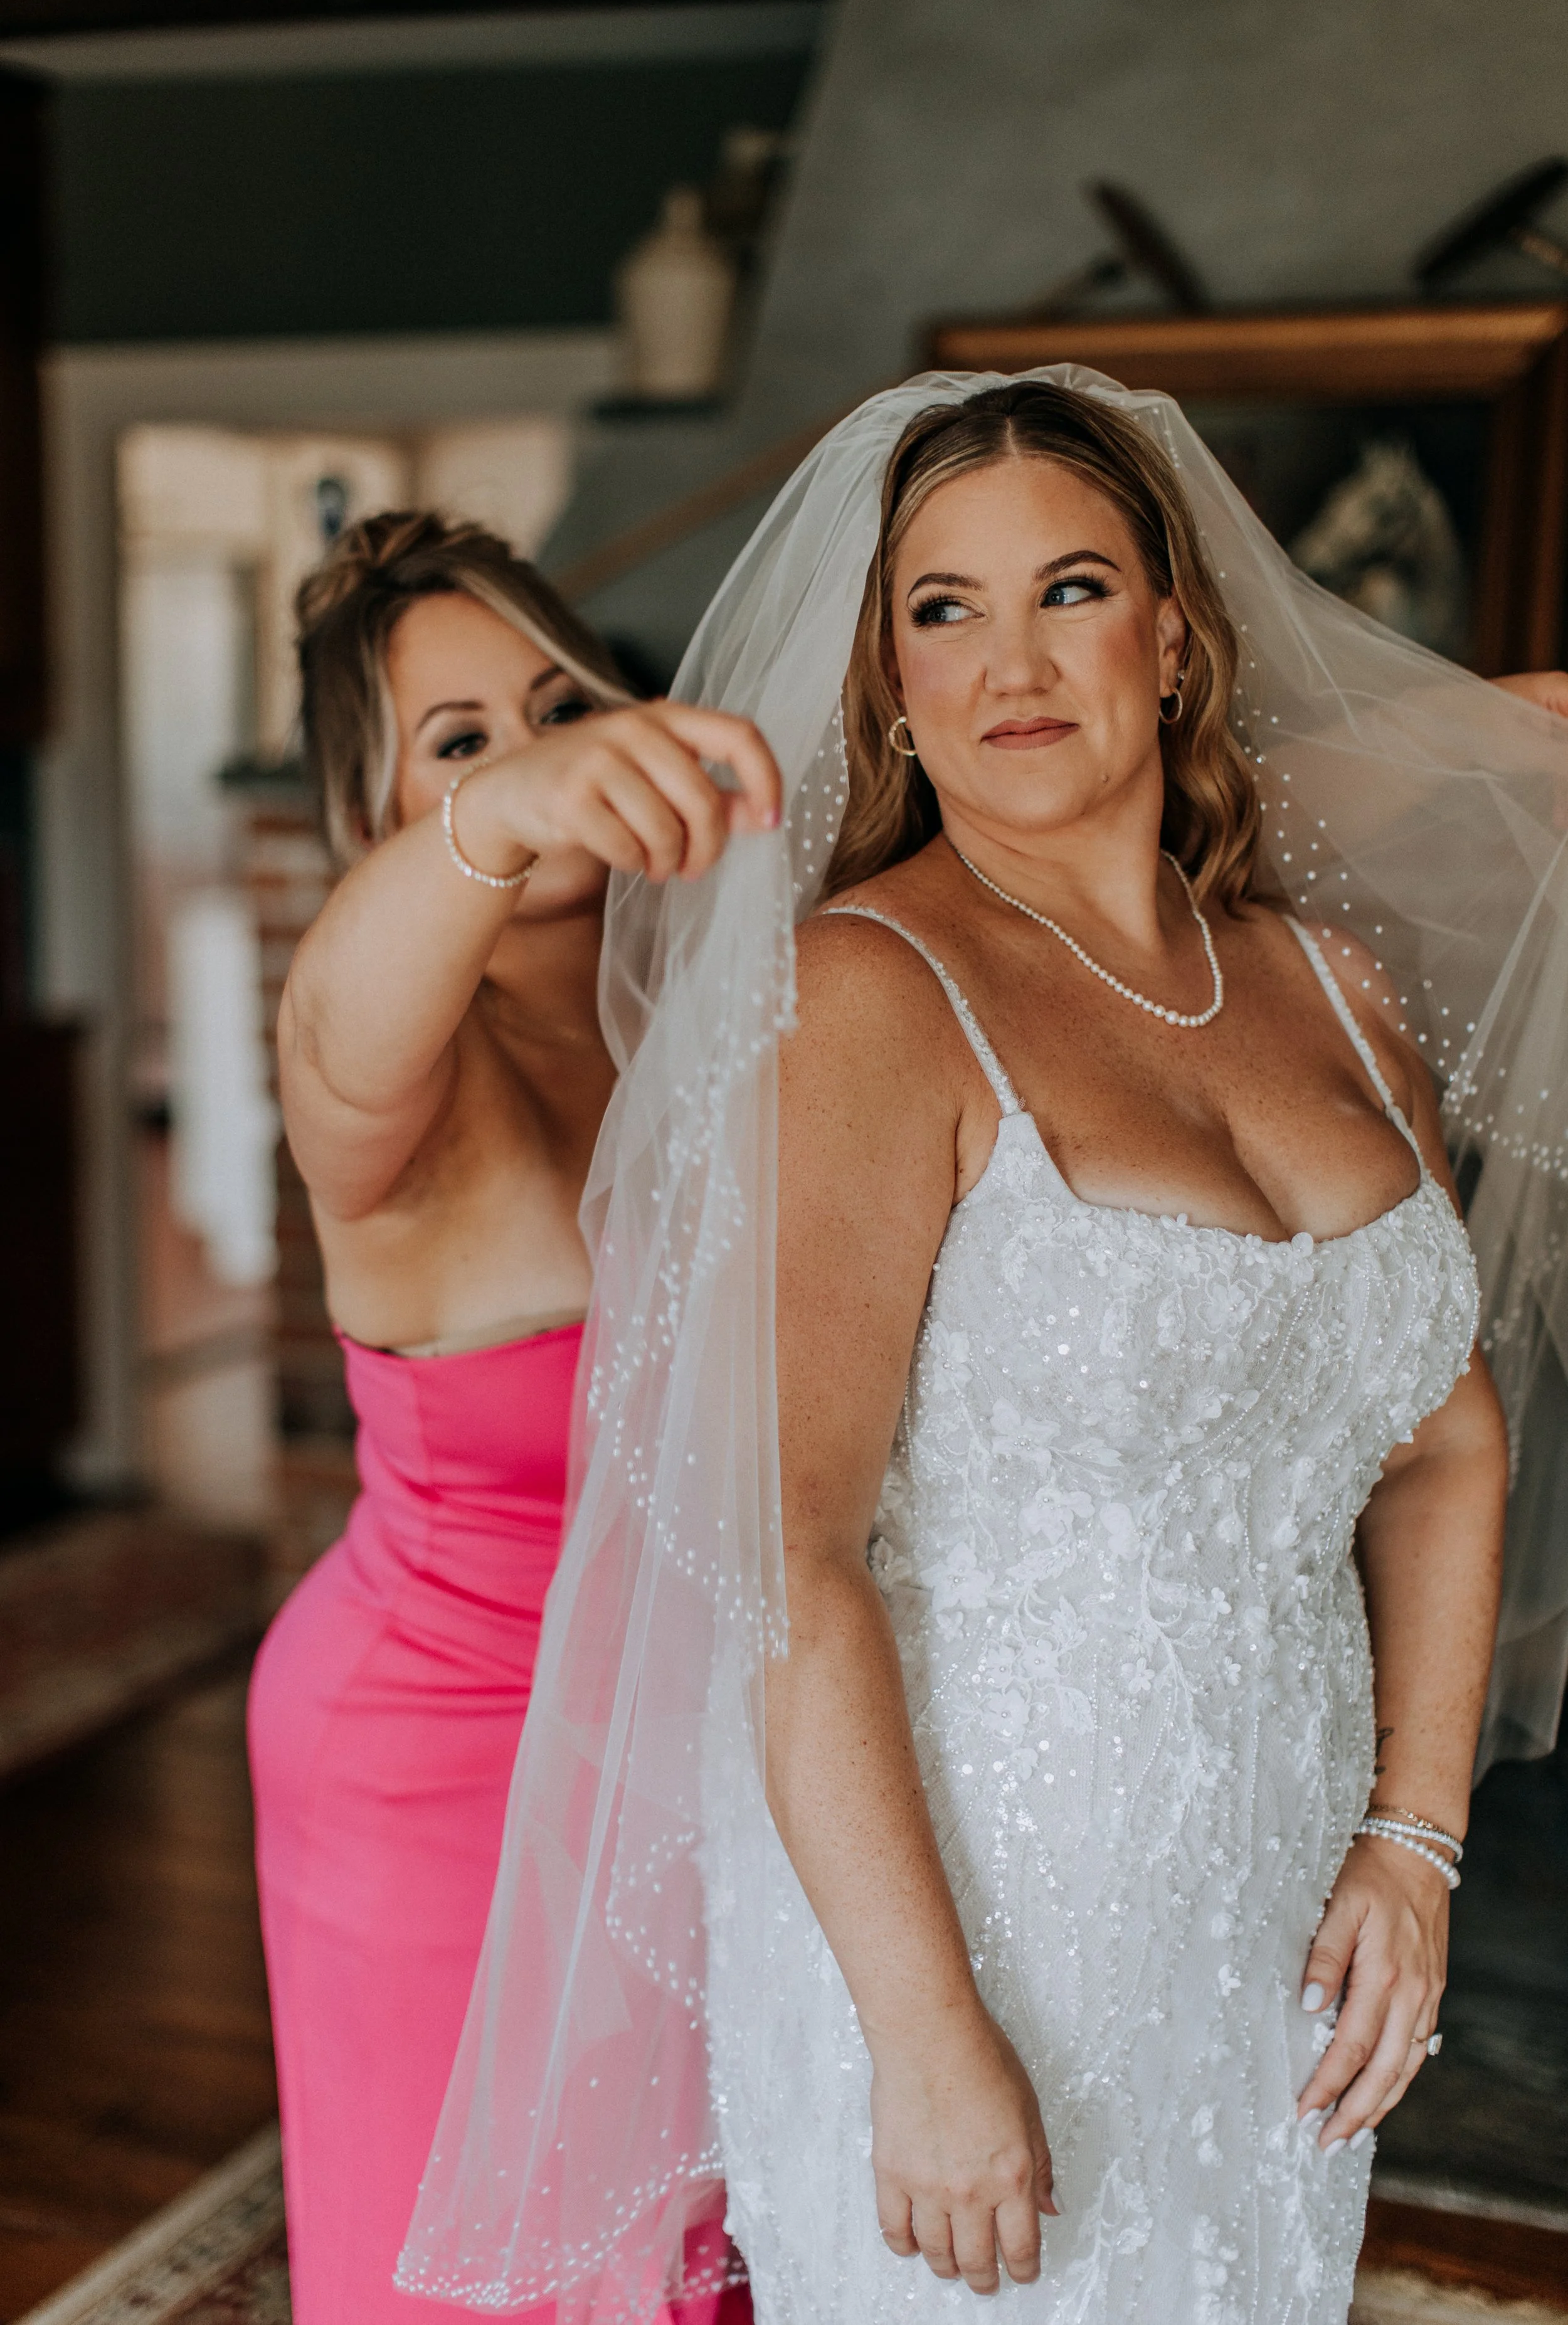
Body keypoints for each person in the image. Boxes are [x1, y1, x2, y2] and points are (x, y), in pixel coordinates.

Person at [398, 374, 1568, 2325]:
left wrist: (1414, 1836)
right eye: (943, 608)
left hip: (1279, 1913)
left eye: (1068, 589)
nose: (1009, 662)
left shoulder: (1335, 989)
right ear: (888, 679)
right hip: (965, 1919)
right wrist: (925, 2035)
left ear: (1170, 640)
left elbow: (1438, 1440)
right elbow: (788, 1564)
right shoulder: (866, 998)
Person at [246, 511, 777, 2325]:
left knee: (699, 2253)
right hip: (434, 1763)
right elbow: (334, 1011)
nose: (533, 759)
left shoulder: (723, 1007)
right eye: (456, 740)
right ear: (377, 818)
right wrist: (505, 810)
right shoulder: (386, 1081)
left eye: (559, 706)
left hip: (700, 1756)